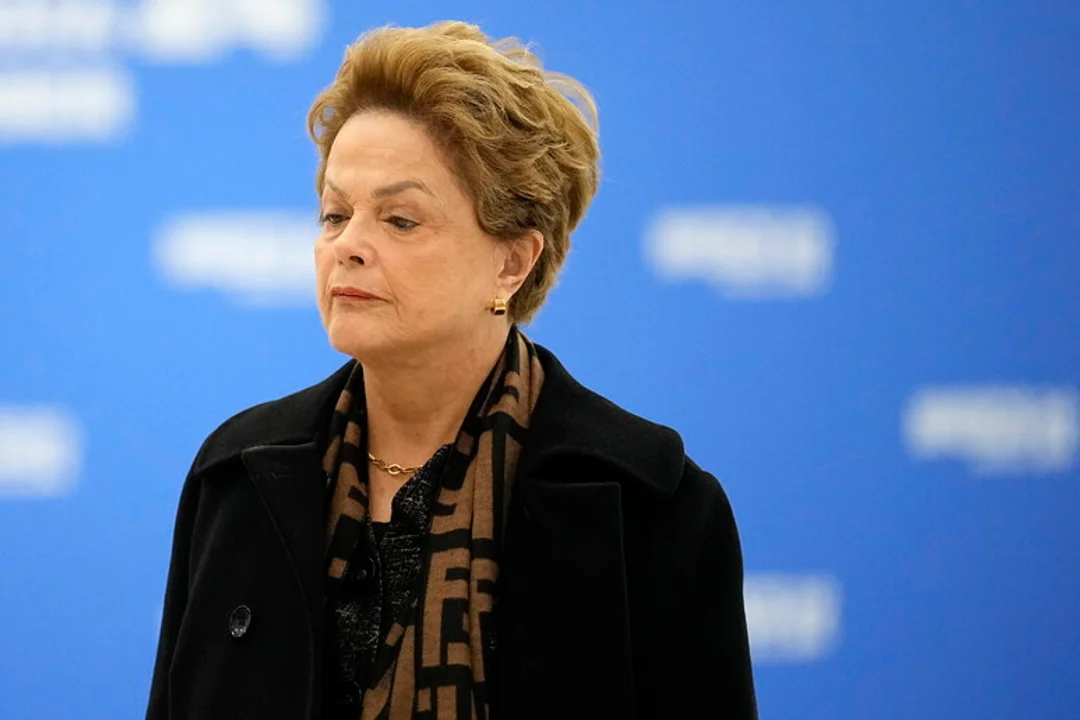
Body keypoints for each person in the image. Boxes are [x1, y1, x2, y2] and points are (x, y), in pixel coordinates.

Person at [145, 20, 756, 720]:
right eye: (335, 214)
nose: (348, 246)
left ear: (512, 262)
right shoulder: (235, 477)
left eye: (400, 220)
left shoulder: (650, 505)